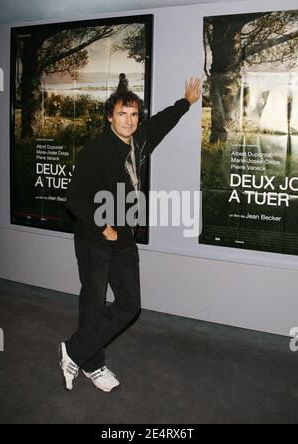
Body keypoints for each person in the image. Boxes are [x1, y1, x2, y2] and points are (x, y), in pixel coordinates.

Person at [59, 77, 201, 392]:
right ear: (110, 116)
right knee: (93, 304)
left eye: (134, 114)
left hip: (124, 239)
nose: (129, 121)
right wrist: (103, 226)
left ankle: (74, 350)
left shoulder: (139, 139)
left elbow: (163, 122)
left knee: (129, 305)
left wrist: (186, 102)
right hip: (95, 240)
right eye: (122, 114)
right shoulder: (96, 150)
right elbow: (75, 199)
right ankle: (93, 366)